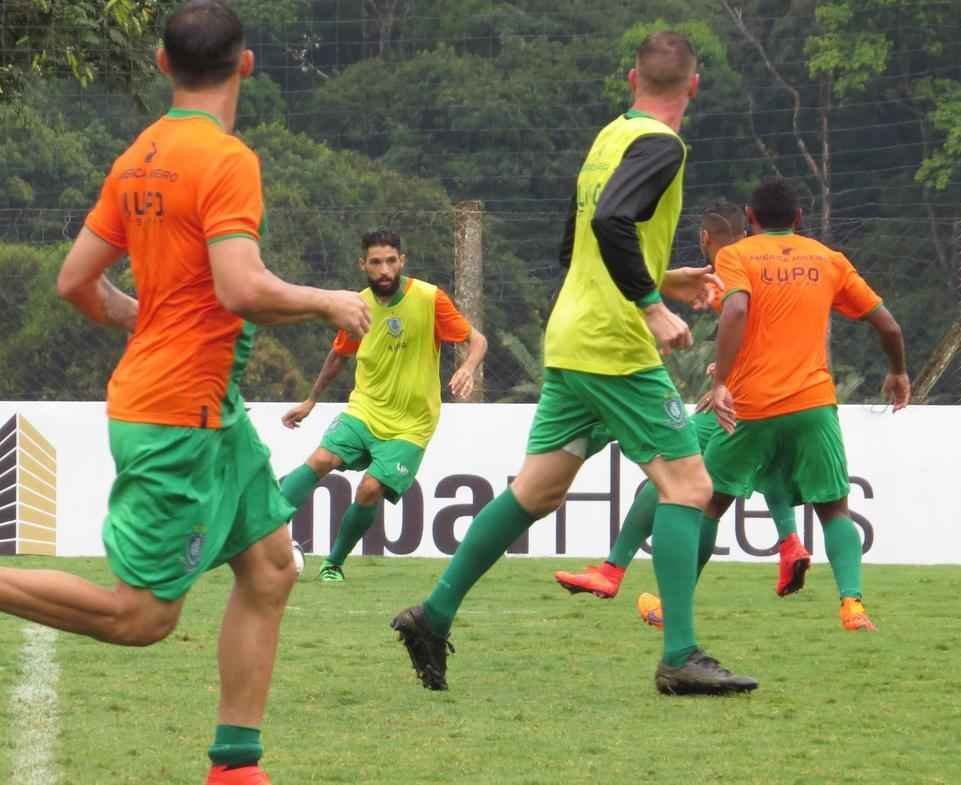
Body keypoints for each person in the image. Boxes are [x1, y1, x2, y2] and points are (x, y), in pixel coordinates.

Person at [0, 4, 370, 784]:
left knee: (269, 569)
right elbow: (240, 288)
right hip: (179, 417)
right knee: (142, 616)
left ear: (162, 66)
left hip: (203, 407)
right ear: (248, 66)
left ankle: (235, 765)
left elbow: (75, 282)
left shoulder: (141, 155)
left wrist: (146, 317)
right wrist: (330, 300)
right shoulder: (227, 159)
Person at [390, 31, 758, 697]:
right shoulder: (663, 145)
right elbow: (613, 223)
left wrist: (664, 276)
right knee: (689, 487)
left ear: (629, 79)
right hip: (614, 345)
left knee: (536, 490)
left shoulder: (606, 139)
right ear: (695, 85)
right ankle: (679, 653)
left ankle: (433, 613)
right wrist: (650, 303)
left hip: (572, 332)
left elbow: (578, 240)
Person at [554, 201, 810, 621]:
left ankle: (616, 572)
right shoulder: (772, 264)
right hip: (792, 394)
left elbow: (741, 317)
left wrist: (724, 378)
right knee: (746, 482)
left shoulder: (732, 265)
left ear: (704, 238)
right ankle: (789, 543)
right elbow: (772, 325)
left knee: (675, 485)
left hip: (741, 397)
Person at [704, 176, 910, 632]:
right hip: (813, 403)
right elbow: (890, 327)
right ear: (799, 218)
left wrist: (720, 379)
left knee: (707, 503)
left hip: (750, 405)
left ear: (750, 219)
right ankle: (852, 605)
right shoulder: (828, 259)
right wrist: (897, 371)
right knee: (834, 507)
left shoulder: (734, 256)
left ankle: (667, 602)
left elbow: (735, 312)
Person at [279, 229, 488, 582]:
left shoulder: (428, 298)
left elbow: (477, 340)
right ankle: (265, 528)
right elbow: (338, 355)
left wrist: (467, 367)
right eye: (376, 262)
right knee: (320, 459)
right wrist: (312, 399)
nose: (384, 269)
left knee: (370, 488)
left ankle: (333, 564)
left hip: (411, 423)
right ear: (363, 265)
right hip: (365, 409)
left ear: (402, 261)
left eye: (391, 261)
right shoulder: (357, 305)